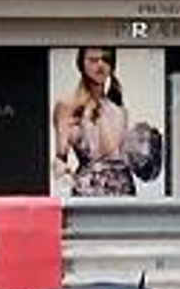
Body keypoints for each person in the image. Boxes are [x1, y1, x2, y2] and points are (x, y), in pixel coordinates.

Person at [53, 47, 135, 196]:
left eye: (106, 60)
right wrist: (71, 180)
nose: (100, 65)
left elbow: (119, 154)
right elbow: (60, 159)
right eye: (93, 60)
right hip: (89, 189)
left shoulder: (119, 110)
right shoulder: (67, 106)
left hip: (123, 188)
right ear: (81, 64)